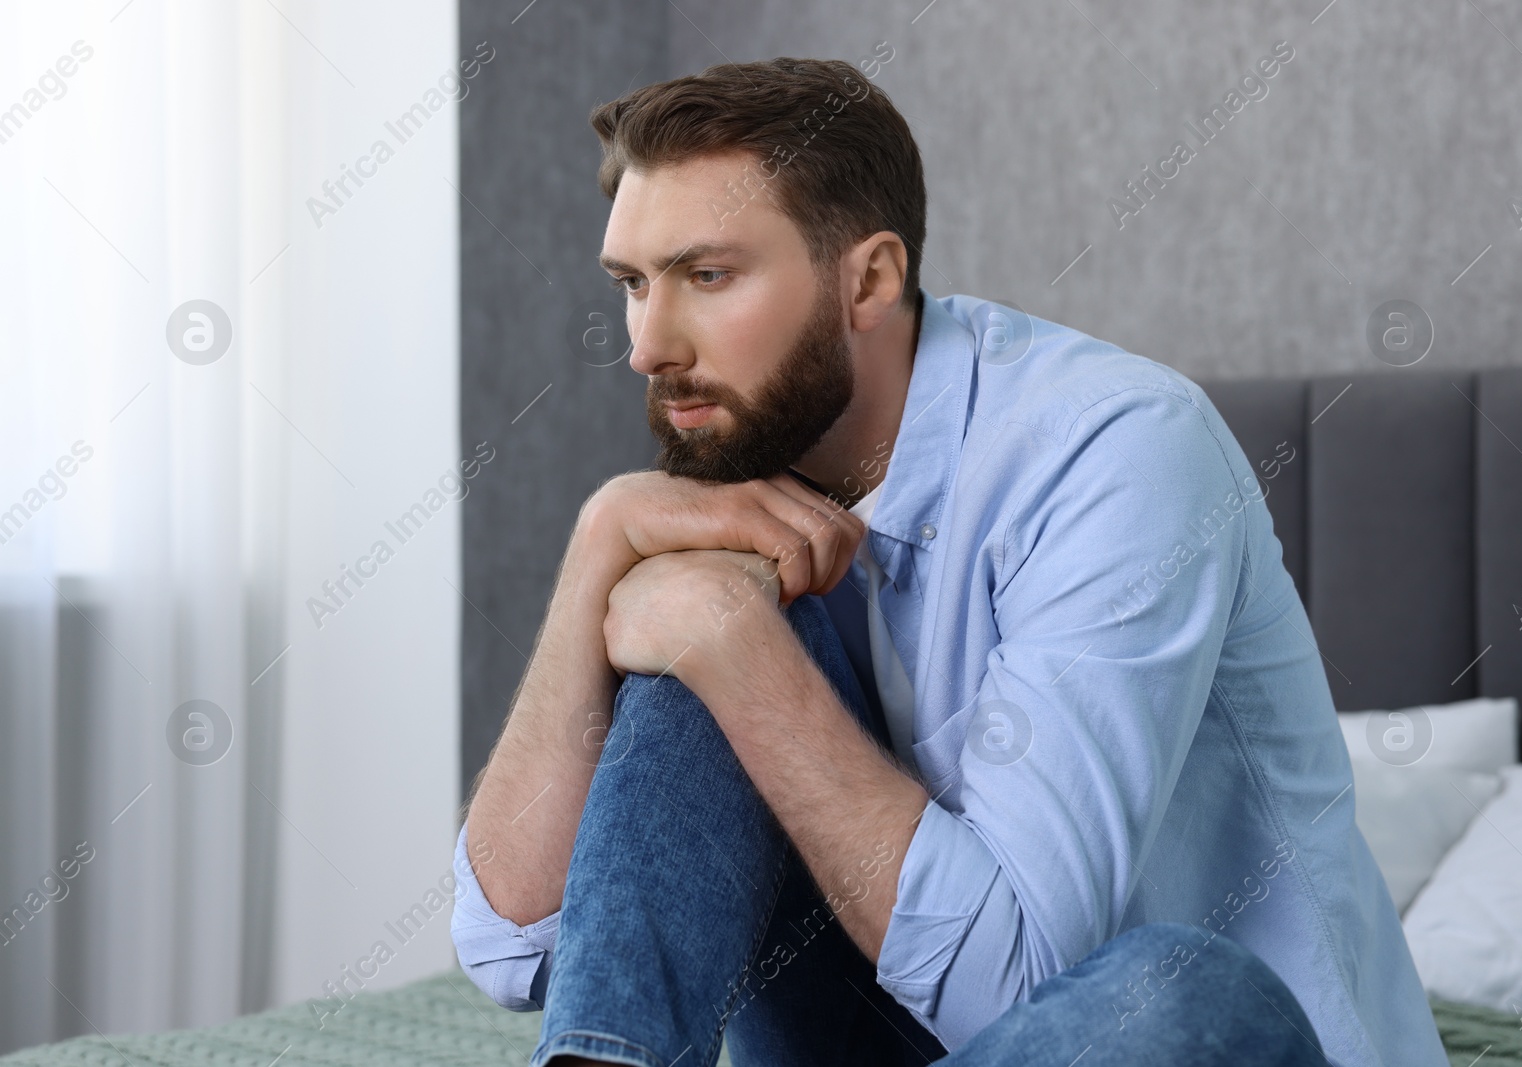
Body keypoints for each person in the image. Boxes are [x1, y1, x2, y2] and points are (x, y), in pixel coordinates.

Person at [449, 56, 1449, 1067]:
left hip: (1161, 1039)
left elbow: (1011, 987)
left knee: (1179, 986)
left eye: (707, 276)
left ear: (868, 280)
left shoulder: (1115, 449)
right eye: (632, 283)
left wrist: (738, 650)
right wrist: (599, 542)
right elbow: (511, 949)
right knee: (720, 600)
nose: (647, 346)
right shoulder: (738, 476)